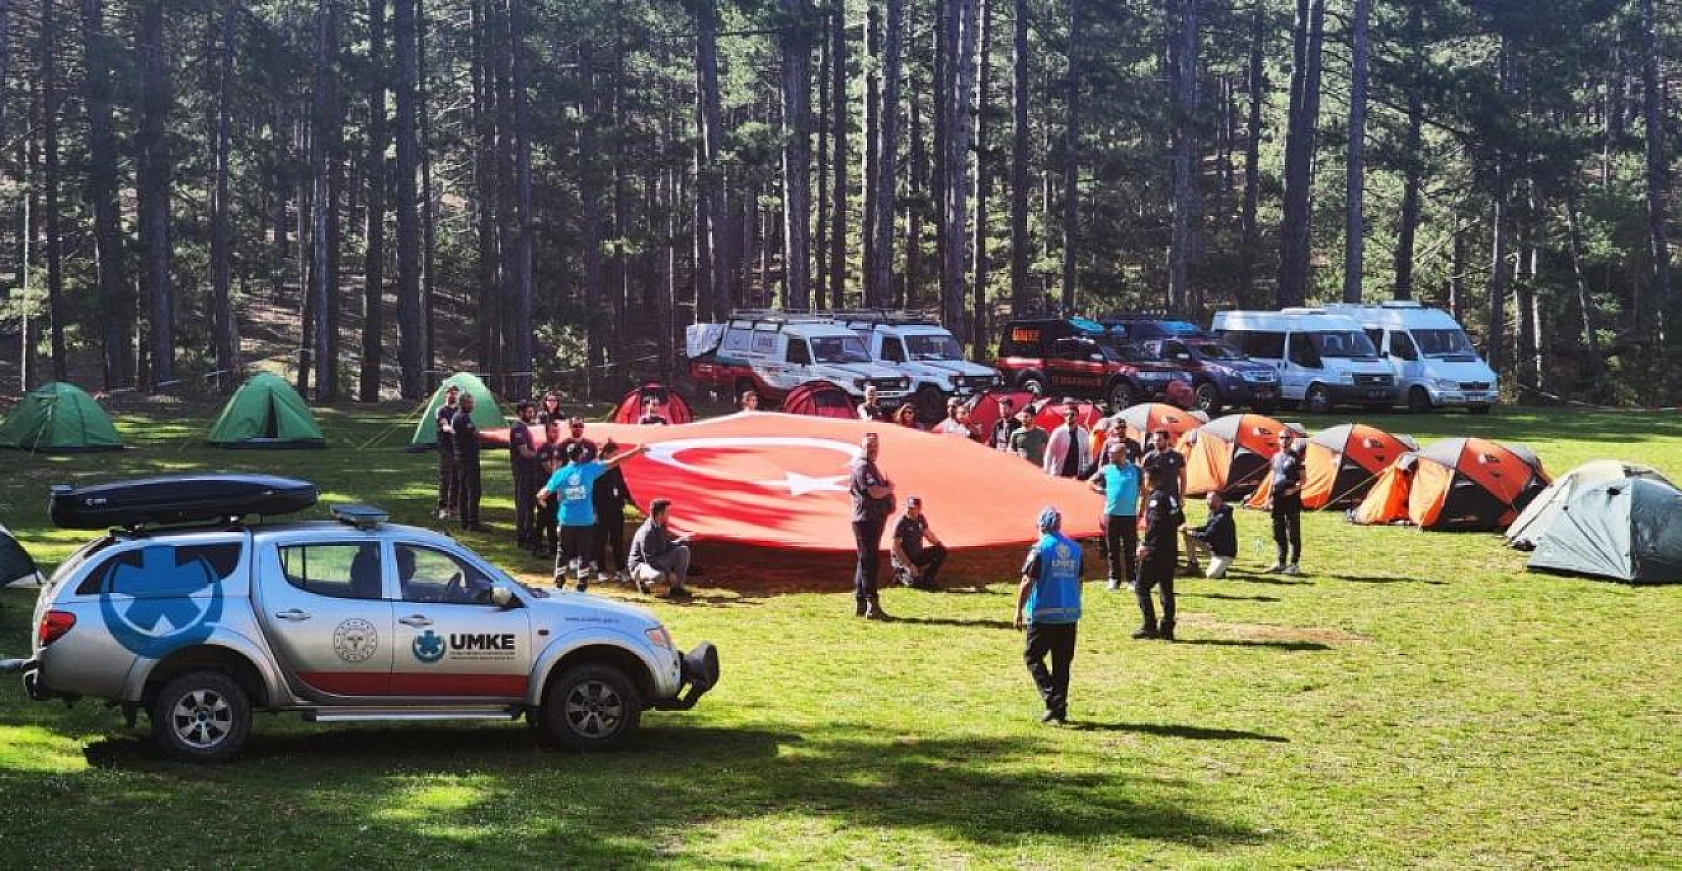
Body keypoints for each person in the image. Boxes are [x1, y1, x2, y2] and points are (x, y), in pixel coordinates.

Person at [538, 441, 648, 590]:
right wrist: (635, 451)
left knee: (563, 550)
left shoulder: (560, 473)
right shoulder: (590, 470)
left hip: (566, 520)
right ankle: (582, 582)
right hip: (585, 520)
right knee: (585, 552)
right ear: (581, 455)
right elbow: (614, 461)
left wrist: (541, 499)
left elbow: (544, 493)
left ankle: (559, 577)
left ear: (569, 456)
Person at [1014, 506, 1083, 725]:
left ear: (1041, 526)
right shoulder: (1075, 549)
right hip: (1069, 614)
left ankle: (1053, 700)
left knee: (1033, 656)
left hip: (1043, 614)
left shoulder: (1040, 549)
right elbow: (1079, 581)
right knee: (1062, 664)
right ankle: (1059, 710)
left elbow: (1027, 582)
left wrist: (1018, 611)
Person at [1134, 465, 1185, 640]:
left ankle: (1149, 625)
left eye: (1145, 478)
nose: (1143, 481)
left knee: (1141, 587)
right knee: (1166, 588)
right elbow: (1180, 519)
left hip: (1156, 552)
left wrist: (1145, 545)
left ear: (1151, 480)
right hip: (1171, 550)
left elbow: (1154, 524)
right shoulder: (1170, 496)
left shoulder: (1155, 499)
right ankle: (1167, 627)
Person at [848, 432, 896, 620]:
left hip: (871, 519)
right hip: (866, 520)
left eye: (875, 445)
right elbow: (875, 492)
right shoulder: (862, 467)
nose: (873, 449)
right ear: (862, 448)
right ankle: (872, 604)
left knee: (865, 560)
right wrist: (889, 489)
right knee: (870, 562)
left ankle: (861, 602)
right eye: (869, 446)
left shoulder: (869, 466)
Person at [1089, 441, 1141, 591]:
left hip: (1129, 515)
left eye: (1112, 454)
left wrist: (1141, 511)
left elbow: (1144, 490)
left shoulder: (1136, 470)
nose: (1109, 456)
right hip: (1111, 515)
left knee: (1130, 548)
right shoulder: (1106, 469)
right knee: (1112, 548)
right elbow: (1090, 482)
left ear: (1122, 454)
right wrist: (1100, 490)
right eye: (1109, 454)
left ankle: (1132, 579)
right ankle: (1114, 578)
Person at [628, 498, 694, 599]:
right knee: (660, 576)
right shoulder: (647, 532)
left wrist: (683, 539)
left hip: (656, 560)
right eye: (667, 512)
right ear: (659, 514)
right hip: (640, 566)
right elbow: (649, 560)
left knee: (683, 551)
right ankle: (644, 584)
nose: (669, 514)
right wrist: (669, 573)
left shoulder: (661, 525)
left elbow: (667, 546)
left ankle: (677, 588)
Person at [591, 441, 637, 583]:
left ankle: (620, 569)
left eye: (618, 455)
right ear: (606, 454)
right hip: (601, 510)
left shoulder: (616, 468)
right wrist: (593, 511)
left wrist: (634, 501)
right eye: (614, 455)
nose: (617, 458)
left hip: (616, 509)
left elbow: (622, 486)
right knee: (601, 540)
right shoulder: (597, 468)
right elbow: (591, 492)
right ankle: (601, 570)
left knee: (617, 540)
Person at [1267, 429, 1304, 575]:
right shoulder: (1275, 457)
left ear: (1292, 440)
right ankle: (1280, 562)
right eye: (1281, 437)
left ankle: (1294, 564)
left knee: (1293, 531)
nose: (1284, 440)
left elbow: (1304, 479)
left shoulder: (1296, 458)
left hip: (1292, 498)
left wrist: (1293, 490)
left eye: (1287, 438)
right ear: (1278, 440)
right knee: (1278, 530)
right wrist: (1268, 497)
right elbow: (1272, 477)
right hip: (1277, 498)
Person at [891, 496, 947, 590]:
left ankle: (928, 578)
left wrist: (939, 544)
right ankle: (900, 576)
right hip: (903, 561)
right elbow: (896, 548)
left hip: (917, 555)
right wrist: (909, 565)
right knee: (915, 584)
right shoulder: (901, 522)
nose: (910, 510)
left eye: (913, 508)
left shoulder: (920, 519)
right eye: (909, 508)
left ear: (919, 509)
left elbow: (928, 533)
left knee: (942, 551)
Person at [509, 401, 543, 549]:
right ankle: (522, 538)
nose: (532, 415)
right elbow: (524, 452)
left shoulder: (524, 428)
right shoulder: (518, 429)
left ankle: (530, 535)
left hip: (529, 472)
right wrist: (539, 456)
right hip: (522, 471)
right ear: (521, 413)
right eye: (529, 412)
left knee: (529, 505)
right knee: (523, 505)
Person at [1184, 491, 1237, 579]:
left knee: (1211, 575)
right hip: (1214, 549)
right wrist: (1192, 529)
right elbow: (1208, 528)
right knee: (1189, 537)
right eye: (1207, 499)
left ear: (1219, 500)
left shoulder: (1222, 517)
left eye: (1210, 499)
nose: (1207, 501)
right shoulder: (1214, 512)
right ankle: (1193, 565)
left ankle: (1221, 568)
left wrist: (1190, 532)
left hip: (1224, 554)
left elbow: (1207, 536)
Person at [451, 393, 484, 531]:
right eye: (469, 403)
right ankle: (472, 522)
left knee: (464, 490)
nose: (472, 405)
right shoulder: (462, 418)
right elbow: (475, 434)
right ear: (462, 403)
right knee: (473, 490)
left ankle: (465, 521)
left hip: (462, 457)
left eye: (472, 402)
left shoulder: (460, 416)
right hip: (468, 458)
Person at [533, 421, 563, 555]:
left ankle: (553, 547)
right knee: (542, 518)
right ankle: (537, 546)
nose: (555, 434)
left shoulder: (559, 449)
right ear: (546, 433)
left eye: (557, 431)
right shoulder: (543, 450)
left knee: (553, 519)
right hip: (544, 489)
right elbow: (550, 469)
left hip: (555, 489)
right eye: (552, 431)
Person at [434, 385, 461, 520]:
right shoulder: (441, 410)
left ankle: (454, 508)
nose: (453, 396)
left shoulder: (459, 411)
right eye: (451, 393)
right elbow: (444, 425)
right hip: (446, 449)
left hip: (458, 449)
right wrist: (452, 429)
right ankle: (442, 508)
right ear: (446, 395)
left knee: (457, 479)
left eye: (455, 394)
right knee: (446, 479)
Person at [1043, 405, 1091, 479]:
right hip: (1059, 474)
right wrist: (1047, 471)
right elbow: (1049, 453)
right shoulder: (1058, 432)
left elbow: (1087, 454)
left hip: (1076, 476)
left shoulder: (1084, 433)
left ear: (1077, 416)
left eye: (1072, 414)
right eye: (1066, 415)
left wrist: (1085, 472)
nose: (1069, 417)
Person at [1140, 429, 1187, 499]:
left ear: (1167, 440)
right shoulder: (1148, 457)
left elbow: (1183, 479)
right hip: (1153, 498)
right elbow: (1142, 478)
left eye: (1159, 440)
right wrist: (1144, 495)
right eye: (1154, 440)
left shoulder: (1177, 457)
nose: (1156, 442)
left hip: (1172, 497)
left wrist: (1181, 497)